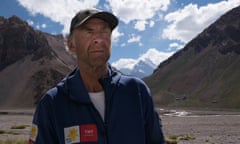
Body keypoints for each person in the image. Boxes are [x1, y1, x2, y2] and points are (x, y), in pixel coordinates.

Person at [29, 8, 166, 144]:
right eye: (89, 32)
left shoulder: (136, 91)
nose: (99, 39)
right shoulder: (52, 104)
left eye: (104, 32)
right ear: (71, 44)